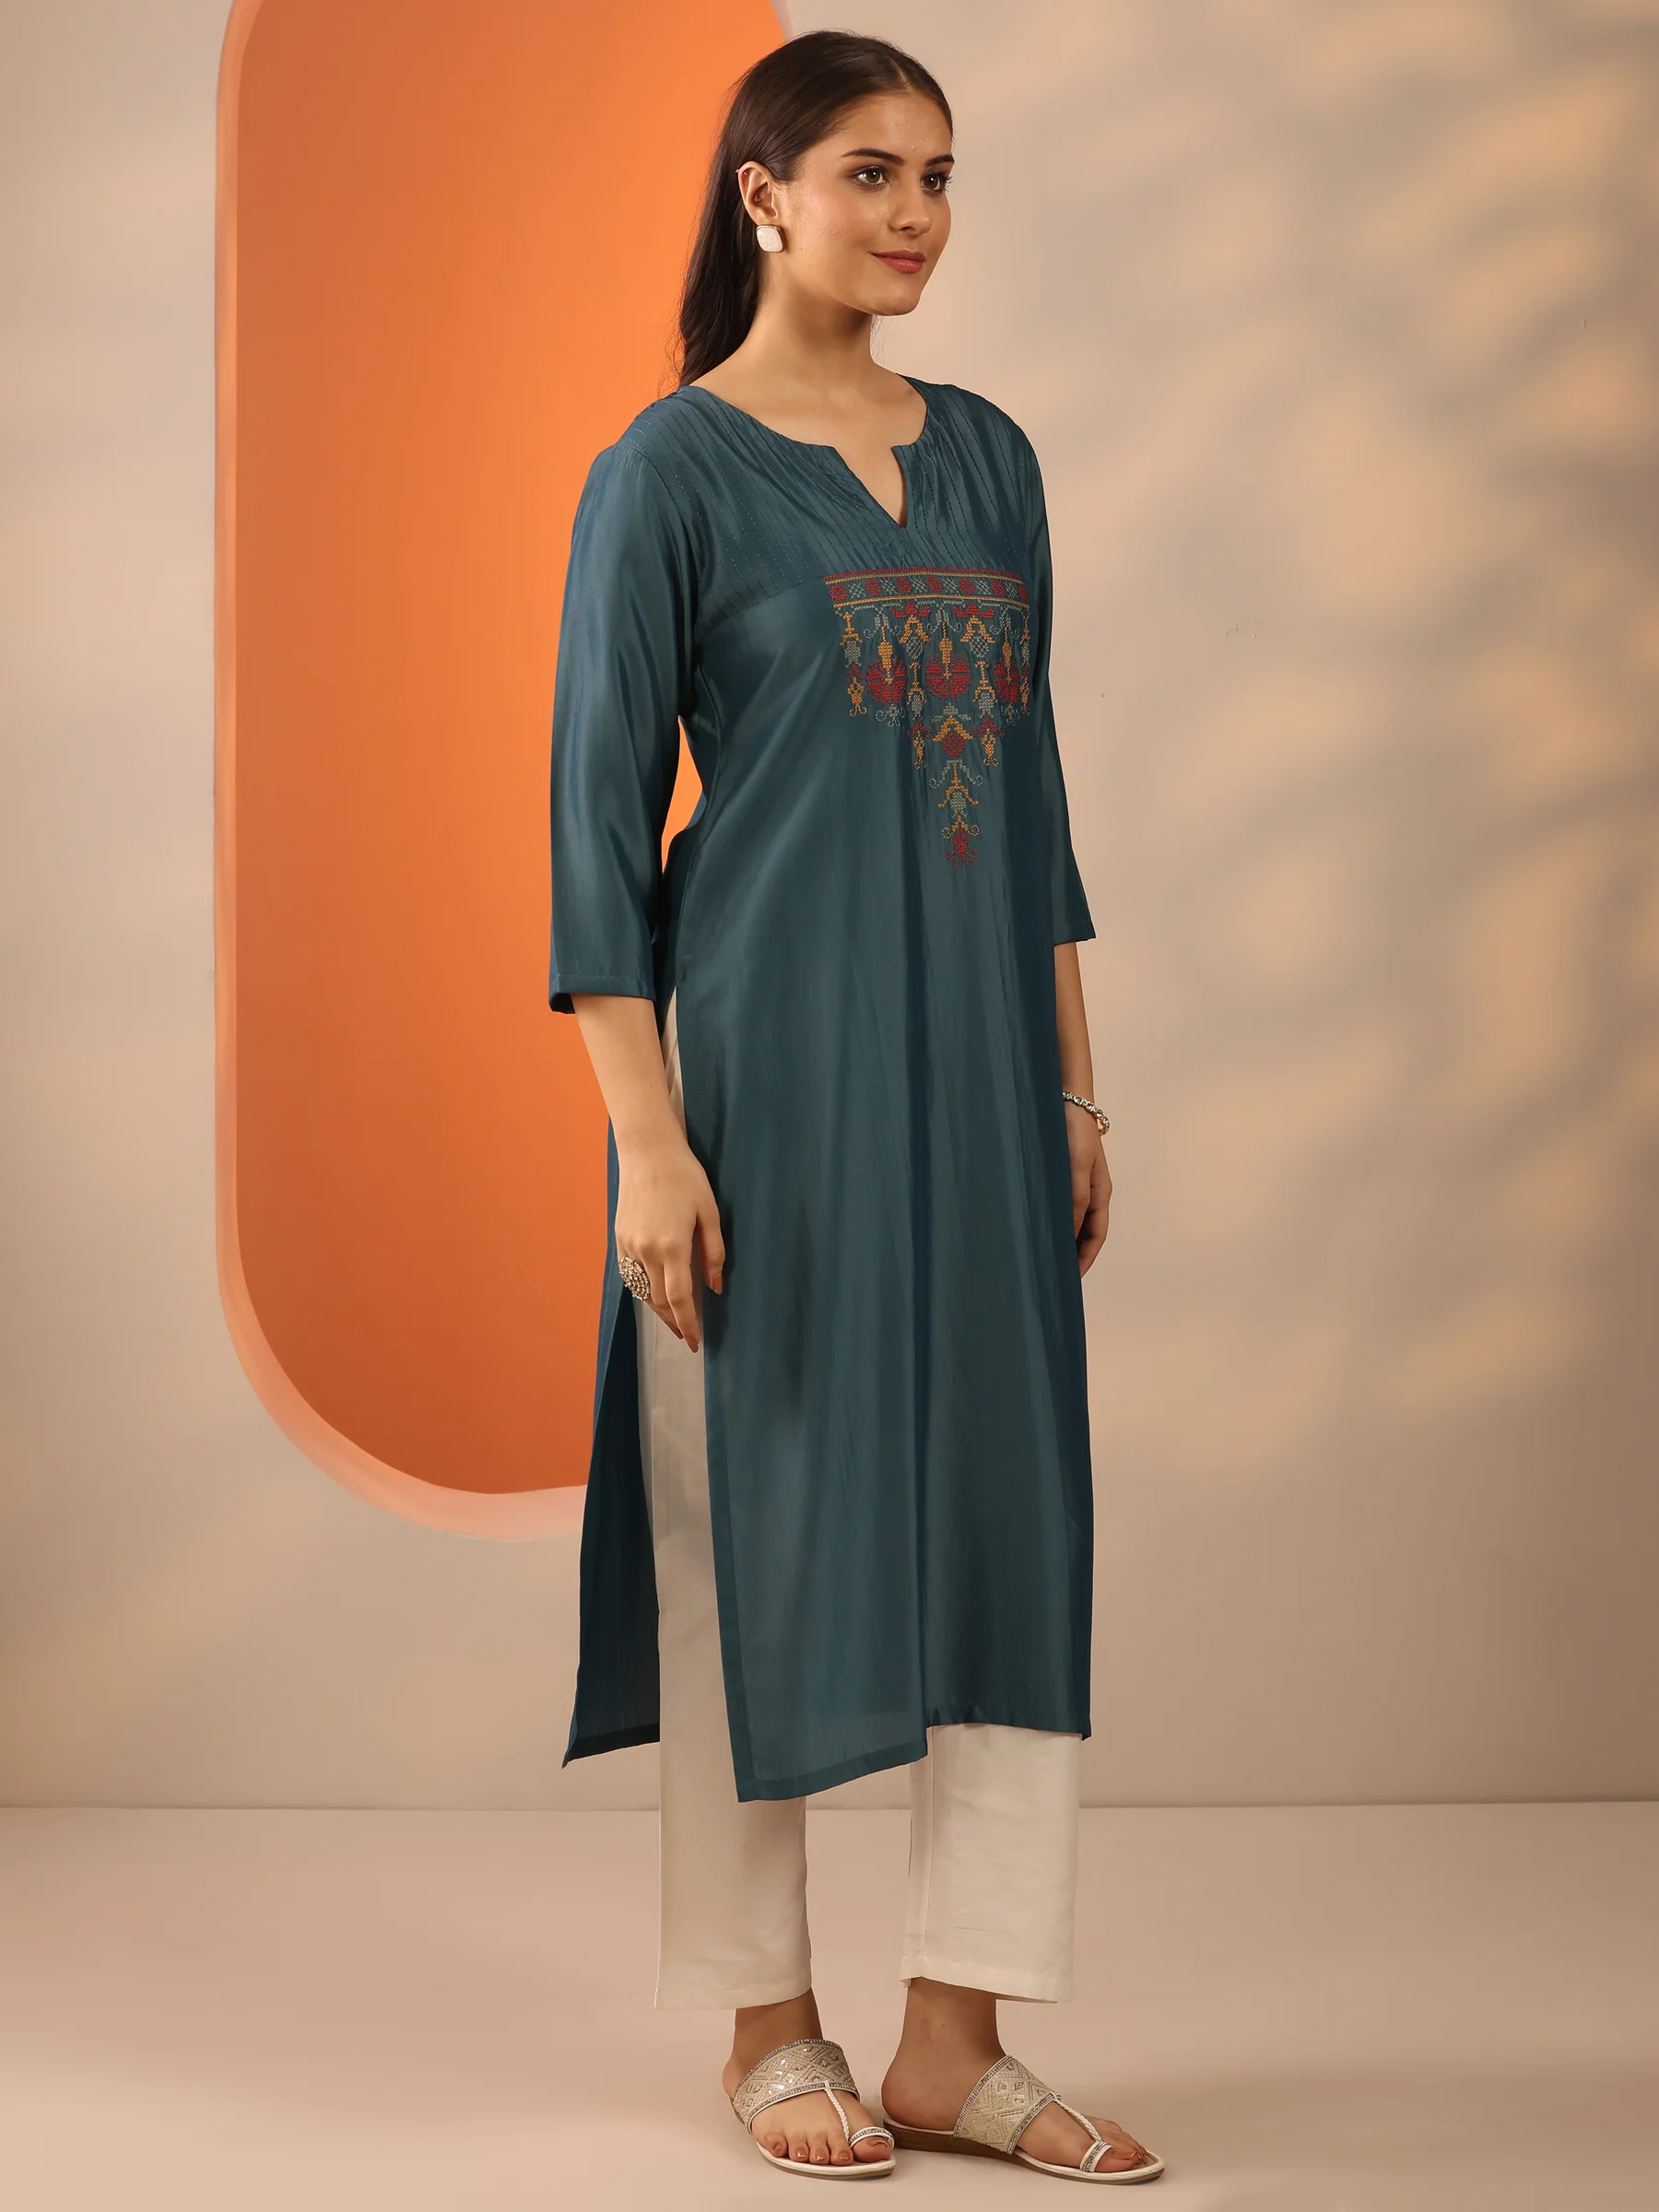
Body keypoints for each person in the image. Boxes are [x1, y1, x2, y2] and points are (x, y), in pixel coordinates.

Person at [547, 29, 1161, 2187]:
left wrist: (1075, 1091)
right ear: (766, 196)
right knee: (757, 1528)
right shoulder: (670, 473)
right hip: (765, 1087)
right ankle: (768, 2024)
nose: (915, 215)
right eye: (872, 173)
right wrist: (650, 1142)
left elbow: (1039, 797)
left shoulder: (988, 459)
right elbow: (593, 837)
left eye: (941, 176)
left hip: (984, 1085)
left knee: (1008, 1533)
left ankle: (957, 2044)